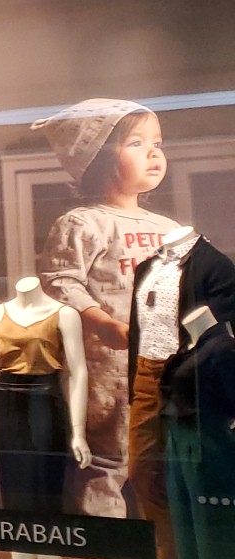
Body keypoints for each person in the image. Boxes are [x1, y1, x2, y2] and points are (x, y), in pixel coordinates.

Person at [35, 99, 177, 529]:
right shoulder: (83, 223)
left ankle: (164, 553)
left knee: (162, 461)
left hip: (164, 365)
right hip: (106, 370)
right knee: (106, 460)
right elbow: (60, 281)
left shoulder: (168, 229)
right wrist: (100, 321)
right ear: (96, 158)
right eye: (136, 143)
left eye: (157, 144)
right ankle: (106, 556)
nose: (153, 153)